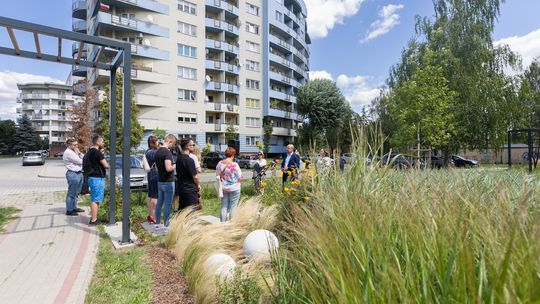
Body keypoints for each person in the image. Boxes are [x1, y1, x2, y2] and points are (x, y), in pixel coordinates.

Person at [83, 135, 110, 225]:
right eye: (102, 141)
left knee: (95, 198)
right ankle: (94, 220)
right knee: (95, 199)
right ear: (97, 142)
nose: (103, 143)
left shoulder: (90, 151)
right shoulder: (97, 152)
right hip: (97, 178)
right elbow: (106, 165)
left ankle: (94, 218)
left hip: (92, 177)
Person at [155, 134, 177, 230]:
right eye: (173, 144)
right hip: (168, 182)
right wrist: (175, 165)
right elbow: (168, 168)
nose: (173, 146)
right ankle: (166, 225)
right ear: (170, 141)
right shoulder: (167, 153)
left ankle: (158, 224)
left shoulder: (157, 152)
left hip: (160, 181)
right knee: (167, 204)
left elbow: (156, 168)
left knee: (159, 203)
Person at [216, 147, 243, 221]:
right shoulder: (235, 165)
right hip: (234, 188)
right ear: (233, 155)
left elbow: (217, 175)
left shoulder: (219, 164)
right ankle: (231, 225)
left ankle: (222, 224)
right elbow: (240, 177)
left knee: (224, 206)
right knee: (233, 207)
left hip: (223, 188)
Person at [176, 138, 201, 211]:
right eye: (193, 144)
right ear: (187, 146)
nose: (194, 146)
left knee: (182, 213)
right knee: (191, 213)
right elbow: (195, 177)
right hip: (190, 190)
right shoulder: (189, 160)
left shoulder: (179, 158)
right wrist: (198, 185)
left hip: (182, 189)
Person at [63, 138, 85, 216]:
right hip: (73, 174)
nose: (77, 146)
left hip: (79, 173)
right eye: (75, 145)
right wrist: (79, 154)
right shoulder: (68, 152)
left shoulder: (74, 151)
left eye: (77, 144)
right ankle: (69, 210)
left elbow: (83, 157)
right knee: (71, 193)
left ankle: (74, 207)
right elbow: (82, 161)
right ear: (69, 145)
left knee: (76, 192)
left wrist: (79, 153)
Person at [145, 136, 159, 224]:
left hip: (150, 174)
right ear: (152, 143)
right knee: (155, 196)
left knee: (150, 196)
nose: (158, 143)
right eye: (157, 141)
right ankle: (154, 217)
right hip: (155, 174)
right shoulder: (153, 152)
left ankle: (150, 215)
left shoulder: (147, 151)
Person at [188, 141, 203, 209]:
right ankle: (198, 207)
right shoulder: (194, 157)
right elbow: (198, 170)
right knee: (198, 194)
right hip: (194, 178)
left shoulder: (186, 156)